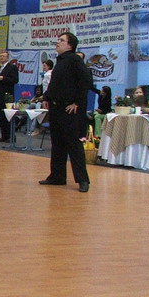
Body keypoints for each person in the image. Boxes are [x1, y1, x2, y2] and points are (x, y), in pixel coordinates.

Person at [39, 32, 91, 193]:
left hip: (68, 109)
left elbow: (86, 81)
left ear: (70, 45)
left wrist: (77, 102)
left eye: (61, 40)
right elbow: (56, 85)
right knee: (57, 144)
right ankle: (57, 176)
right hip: (56, 108)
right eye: (57, 40)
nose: (57, 42)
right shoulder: (60, 61)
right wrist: (46, 97)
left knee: (74, 144)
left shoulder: (74, 59)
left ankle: (83, 180)